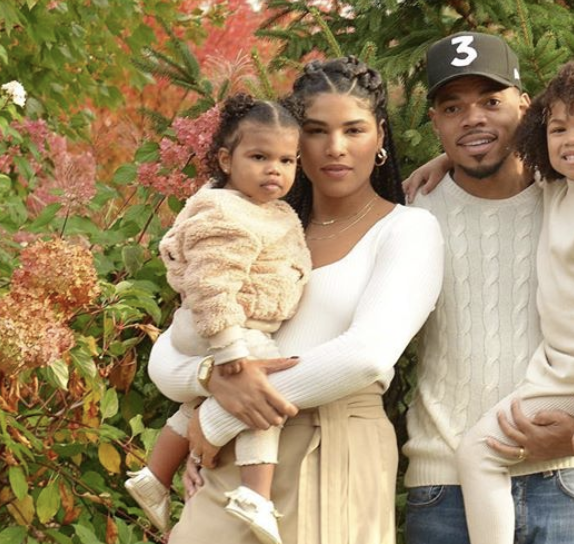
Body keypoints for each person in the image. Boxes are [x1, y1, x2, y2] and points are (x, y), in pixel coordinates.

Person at [145, 56, 445, 544]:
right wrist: (209, 379)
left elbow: (364, 358)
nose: (335, 148)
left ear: (381, 136)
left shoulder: (409, 230)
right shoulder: (262, 225)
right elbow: (172, 347)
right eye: (316, 130)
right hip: (239, 459)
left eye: (354, 130)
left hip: (335, 450)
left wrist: (219, 416)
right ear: (293, 140)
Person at [403, 34, 574, 544]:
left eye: (491, 101)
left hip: (565, 477)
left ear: (525, 108)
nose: (474, 119)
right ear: (436, 120)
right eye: (453, 107)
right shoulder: (412, 214)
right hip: (443, 489)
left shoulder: (572, 196)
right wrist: (446, 165)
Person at [126, 94, 311, 544]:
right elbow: (212, 283)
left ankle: (154, 475)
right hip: (223, 325)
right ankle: (255, 495)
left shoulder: (267, 209)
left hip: (222, 324)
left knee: (198, 404)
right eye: (260, 157)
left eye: (287, 160)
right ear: (227, 160)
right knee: (260, 397)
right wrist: (231, 349)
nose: (275, 170)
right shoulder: (227, 213)